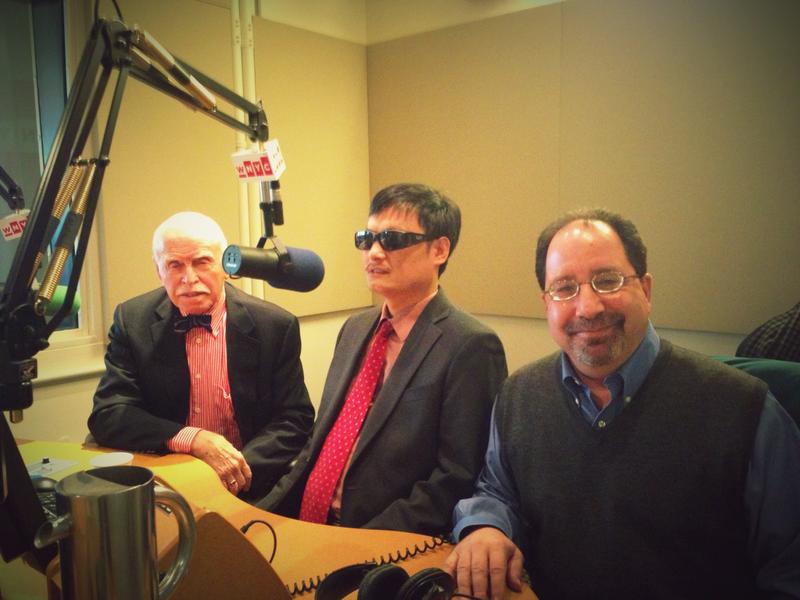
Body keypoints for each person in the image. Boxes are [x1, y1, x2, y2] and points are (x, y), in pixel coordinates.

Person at [445, 208, 800, 600]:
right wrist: (485, 527)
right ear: (546, 303)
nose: (588, 307)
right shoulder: (519, 395)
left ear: (645, 290)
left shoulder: (745, 410)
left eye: (607, 280)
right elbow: (497, 489)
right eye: (565, 288)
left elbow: (789, 570)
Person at [258, 183, 508, 534]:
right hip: (308, 522)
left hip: (380, 540)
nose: (374, 253)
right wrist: (260, 514)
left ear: (439, 249)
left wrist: (357, 545)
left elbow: (455, 479)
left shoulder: (471, 345)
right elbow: (319, 445)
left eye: (391, 240)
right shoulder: (355, 328)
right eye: (366, 239)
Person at [88, 212, 314, 499]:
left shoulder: (275, 326)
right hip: (167, 483)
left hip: (249, 483)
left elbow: (295, 419)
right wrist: (192, 439)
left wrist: (235, 469)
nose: (189, 278)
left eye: (202, 262)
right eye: (174, 265)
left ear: (225, 265)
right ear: (159, 271)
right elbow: (109, 414)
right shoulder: (132, 320)